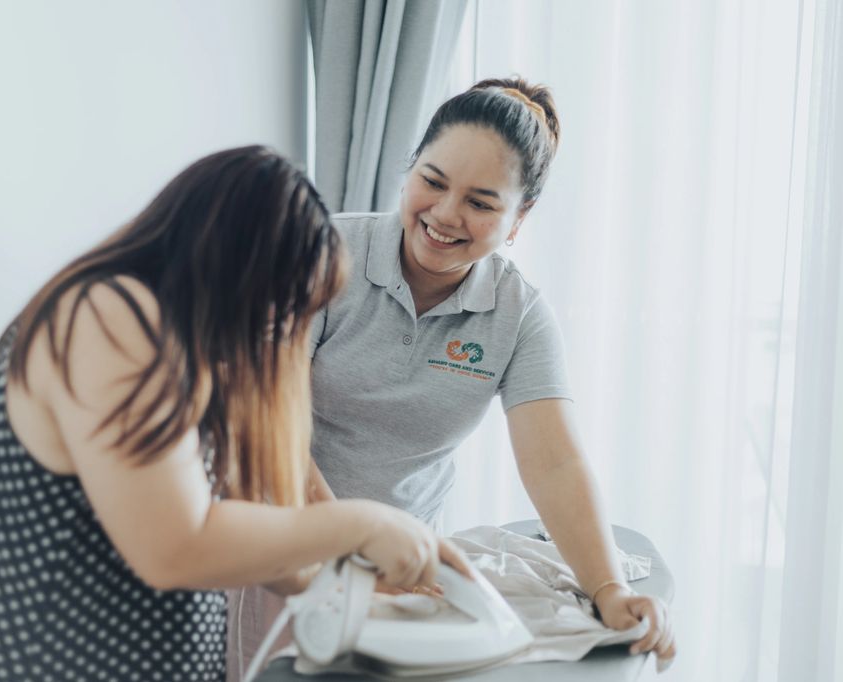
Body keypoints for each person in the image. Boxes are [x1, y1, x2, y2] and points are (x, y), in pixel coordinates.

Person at [0, 145, 472, 682]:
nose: (279, 331)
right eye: (278, 305)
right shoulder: (109, 315)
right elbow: (174, 546)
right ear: (229, 264)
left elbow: (257, 543)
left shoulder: (199, 363)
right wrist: (361, 525)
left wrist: (364, 588)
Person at [229, 77, 676, 677]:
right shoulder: (321, 252)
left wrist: (609, 588)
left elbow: (555, 464)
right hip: (282, 540)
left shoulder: (518, 316)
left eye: (482, 202)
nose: (445, 214)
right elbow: (265, 420)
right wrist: (346, 546)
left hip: (405, 566)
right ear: (409, 169)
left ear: (519, 217)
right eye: (432, 182)